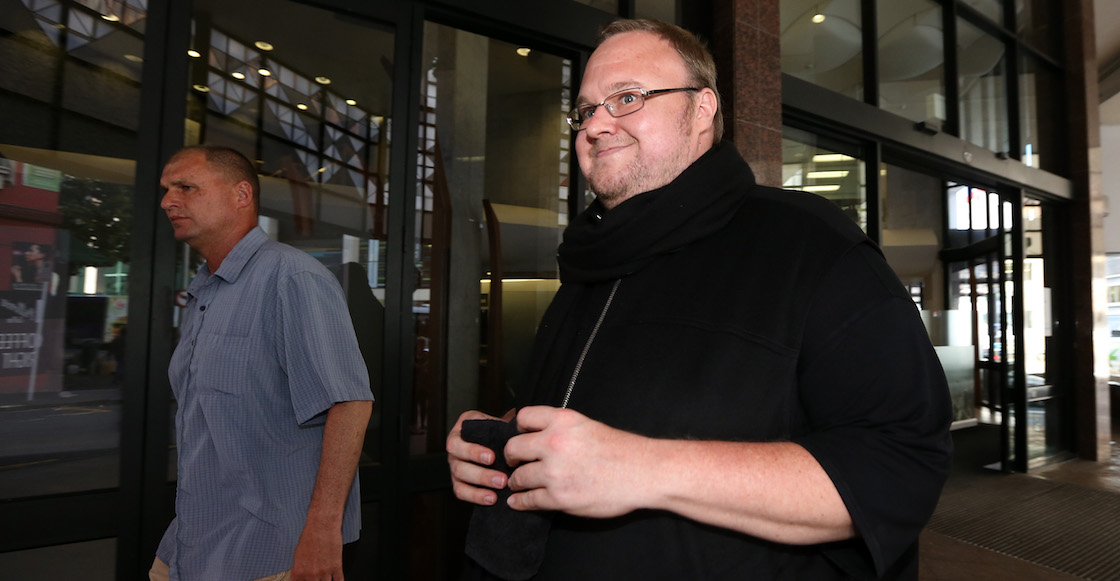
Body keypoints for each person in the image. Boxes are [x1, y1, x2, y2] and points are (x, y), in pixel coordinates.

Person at [446, 18, 953, 580]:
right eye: (585, 110)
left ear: (702, 108)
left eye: (627, 98)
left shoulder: (807, 244)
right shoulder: (589, 262)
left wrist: (642, 468)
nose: (596, 125)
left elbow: (899, 465)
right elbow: (598, 413)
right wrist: (506, 442)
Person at [153, 145, 373, 581]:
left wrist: (323, 531)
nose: (167, 201)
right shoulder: (205, 289)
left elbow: (350, 405)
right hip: (193, 543)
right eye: (166, 190)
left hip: (273, 551)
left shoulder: (292, 278)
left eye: (186, 187)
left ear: (241, 195)